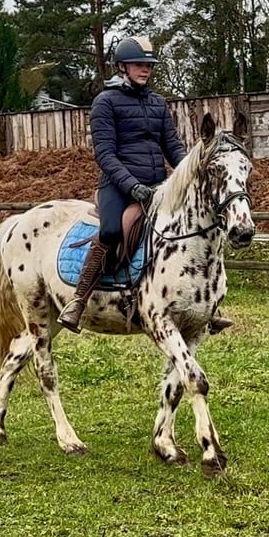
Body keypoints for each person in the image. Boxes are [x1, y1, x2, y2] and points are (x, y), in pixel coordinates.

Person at [57, 36, 233, 335]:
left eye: (149, 65)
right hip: (117, 185)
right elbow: (105, 154)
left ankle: (205, 304)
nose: (146, 70)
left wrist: (193, 171)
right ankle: (78, 299)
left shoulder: (157, 103)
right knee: (112, 231)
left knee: (189, 228)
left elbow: (173, 147)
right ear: (122, 66)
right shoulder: (105, 102)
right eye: (140, 65)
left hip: (157, 185)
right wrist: (131, 186)